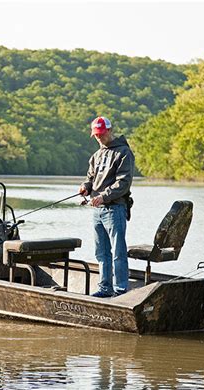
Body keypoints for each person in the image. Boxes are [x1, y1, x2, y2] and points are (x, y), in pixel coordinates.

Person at [79, 116, 135, 297]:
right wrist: (85, 188)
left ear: (110, 131)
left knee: (118, 252)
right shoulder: (97, 155)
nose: (99, 138)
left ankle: (120, 290)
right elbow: (90, 178)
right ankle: (105, 288)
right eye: (96, 135)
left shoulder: (124, 152)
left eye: (101, 134)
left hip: (115, 209)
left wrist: (103, 196)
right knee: (101, 253)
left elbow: (123, 183)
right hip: (97, 211)